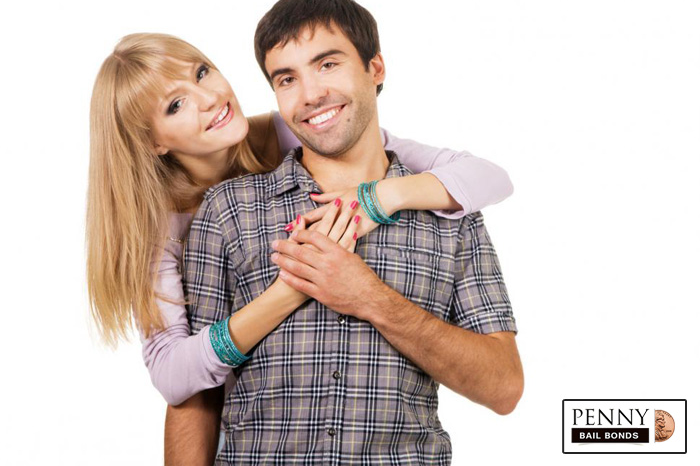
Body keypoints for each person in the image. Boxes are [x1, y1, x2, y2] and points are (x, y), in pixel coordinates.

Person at [169, 0, 523, 465]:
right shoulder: (229, 210)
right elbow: (195, 392)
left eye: (328, 64)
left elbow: (503, 387)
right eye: (287, 78)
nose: (311, 94)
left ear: (375, 69)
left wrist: (370, 298)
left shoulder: (450, 213)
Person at [86, 33, 514, 408]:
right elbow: (171, 374)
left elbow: (487, 176)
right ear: (153, 142)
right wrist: (292, 289)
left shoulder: (293, 130)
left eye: (202, 73)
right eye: (176, 105)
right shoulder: (158, 228)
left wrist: (377, 199)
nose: (209, 99)